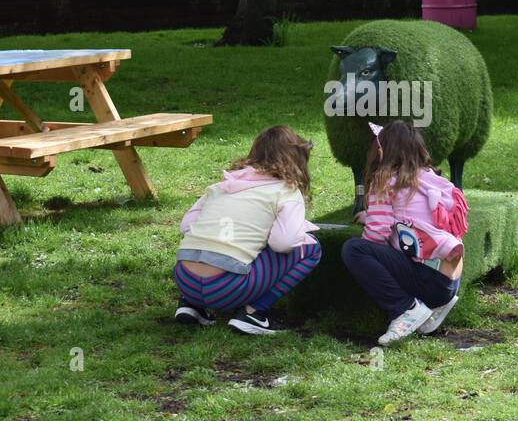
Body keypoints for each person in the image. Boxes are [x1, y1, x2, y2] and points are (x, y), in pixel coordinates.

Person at [174, 126, 322, 335]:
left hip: (184, 279)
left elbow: (186, 226)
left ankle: (191, 304)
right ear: (297, 159)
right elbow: (284, 242)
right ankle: (253, 313)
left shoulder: (222, 186)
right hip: (226, 288)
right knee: (311, 247)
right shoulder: (286, 191)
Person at [341, 121, 468, 346]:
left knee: (354, 250)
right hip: (449, 282)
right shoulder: (432, 178)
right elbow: (411, 217)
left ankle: (406, 309)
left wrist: (370, 243)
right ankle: (434, 307)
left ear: (383, 150)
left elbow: (378, 234)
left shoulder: (384, 181)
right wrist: (370, 216)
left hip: (428, 283)